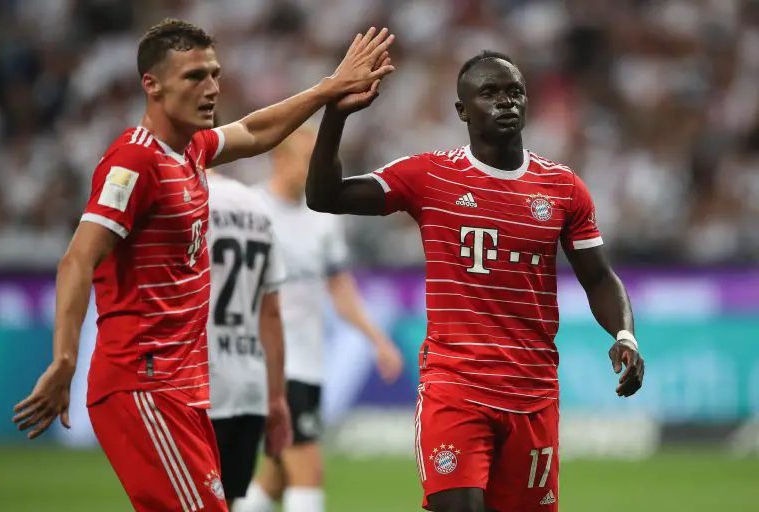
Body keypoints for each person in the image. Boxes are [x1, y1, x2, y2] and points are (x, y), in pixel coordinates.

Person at [11, 19, 394, 512]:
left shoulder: (191, 150)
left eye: (214, 74)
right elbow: (78, 258)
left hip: (184, 388)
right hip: (144, 382)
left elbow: (256, 130)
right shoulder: (134, 161)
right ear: (152, 84)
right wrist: (64, 359)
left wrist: (327, 89)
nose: (211, 87)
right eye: (194, 76)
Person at [304, 50, 646, 512]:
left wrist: (624, 333)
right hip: (456, 387)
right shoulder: (428, 175)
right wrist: (335, 116)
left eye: (515, 92)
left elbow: (600, 278)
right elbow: (325, 197)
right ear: (463, 110)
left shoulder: (563, 188)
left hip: (533, 393)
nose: (506, 102)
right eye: (489, 93)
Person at [238, 127, 404, 512]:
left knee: (277, 476)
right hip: (271, 363)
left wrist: (377, 340)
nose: (316, 167)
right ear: (279, 158)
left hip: (308, 364)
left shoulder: (324, 218)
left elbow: (340, 289)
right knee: (308, 470)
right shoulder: (252, 210)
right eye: (305, 157)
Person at [206, 168, 291, 510]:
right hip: (248, 385)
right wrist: (276, 397)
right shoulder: (256, 206)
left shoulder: (180, 197)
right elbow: (270, 313)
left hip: (194, 383)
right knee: (226, 502)